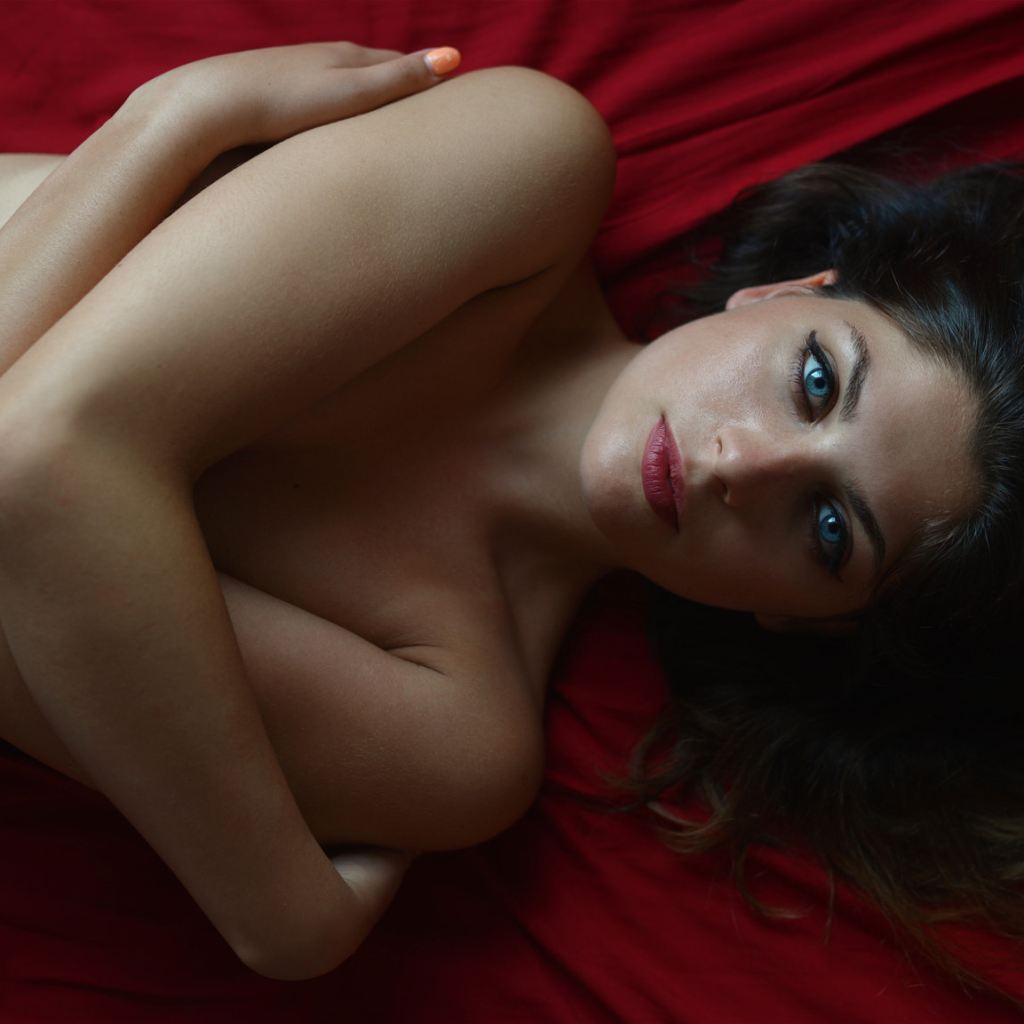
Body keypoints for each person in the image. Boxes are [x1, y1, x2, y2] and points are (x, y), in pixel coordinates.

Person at [0, 42, 1012, 985]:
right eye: (815, 380)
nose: (741, 465)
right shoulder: (529, 168)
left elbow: (35, 466)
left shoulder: (455, 735)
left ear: (802, 619)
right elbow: (39, 454)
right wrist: (283, 914)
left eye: (829, 530)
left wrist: (173, 126)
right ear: (784, 294)